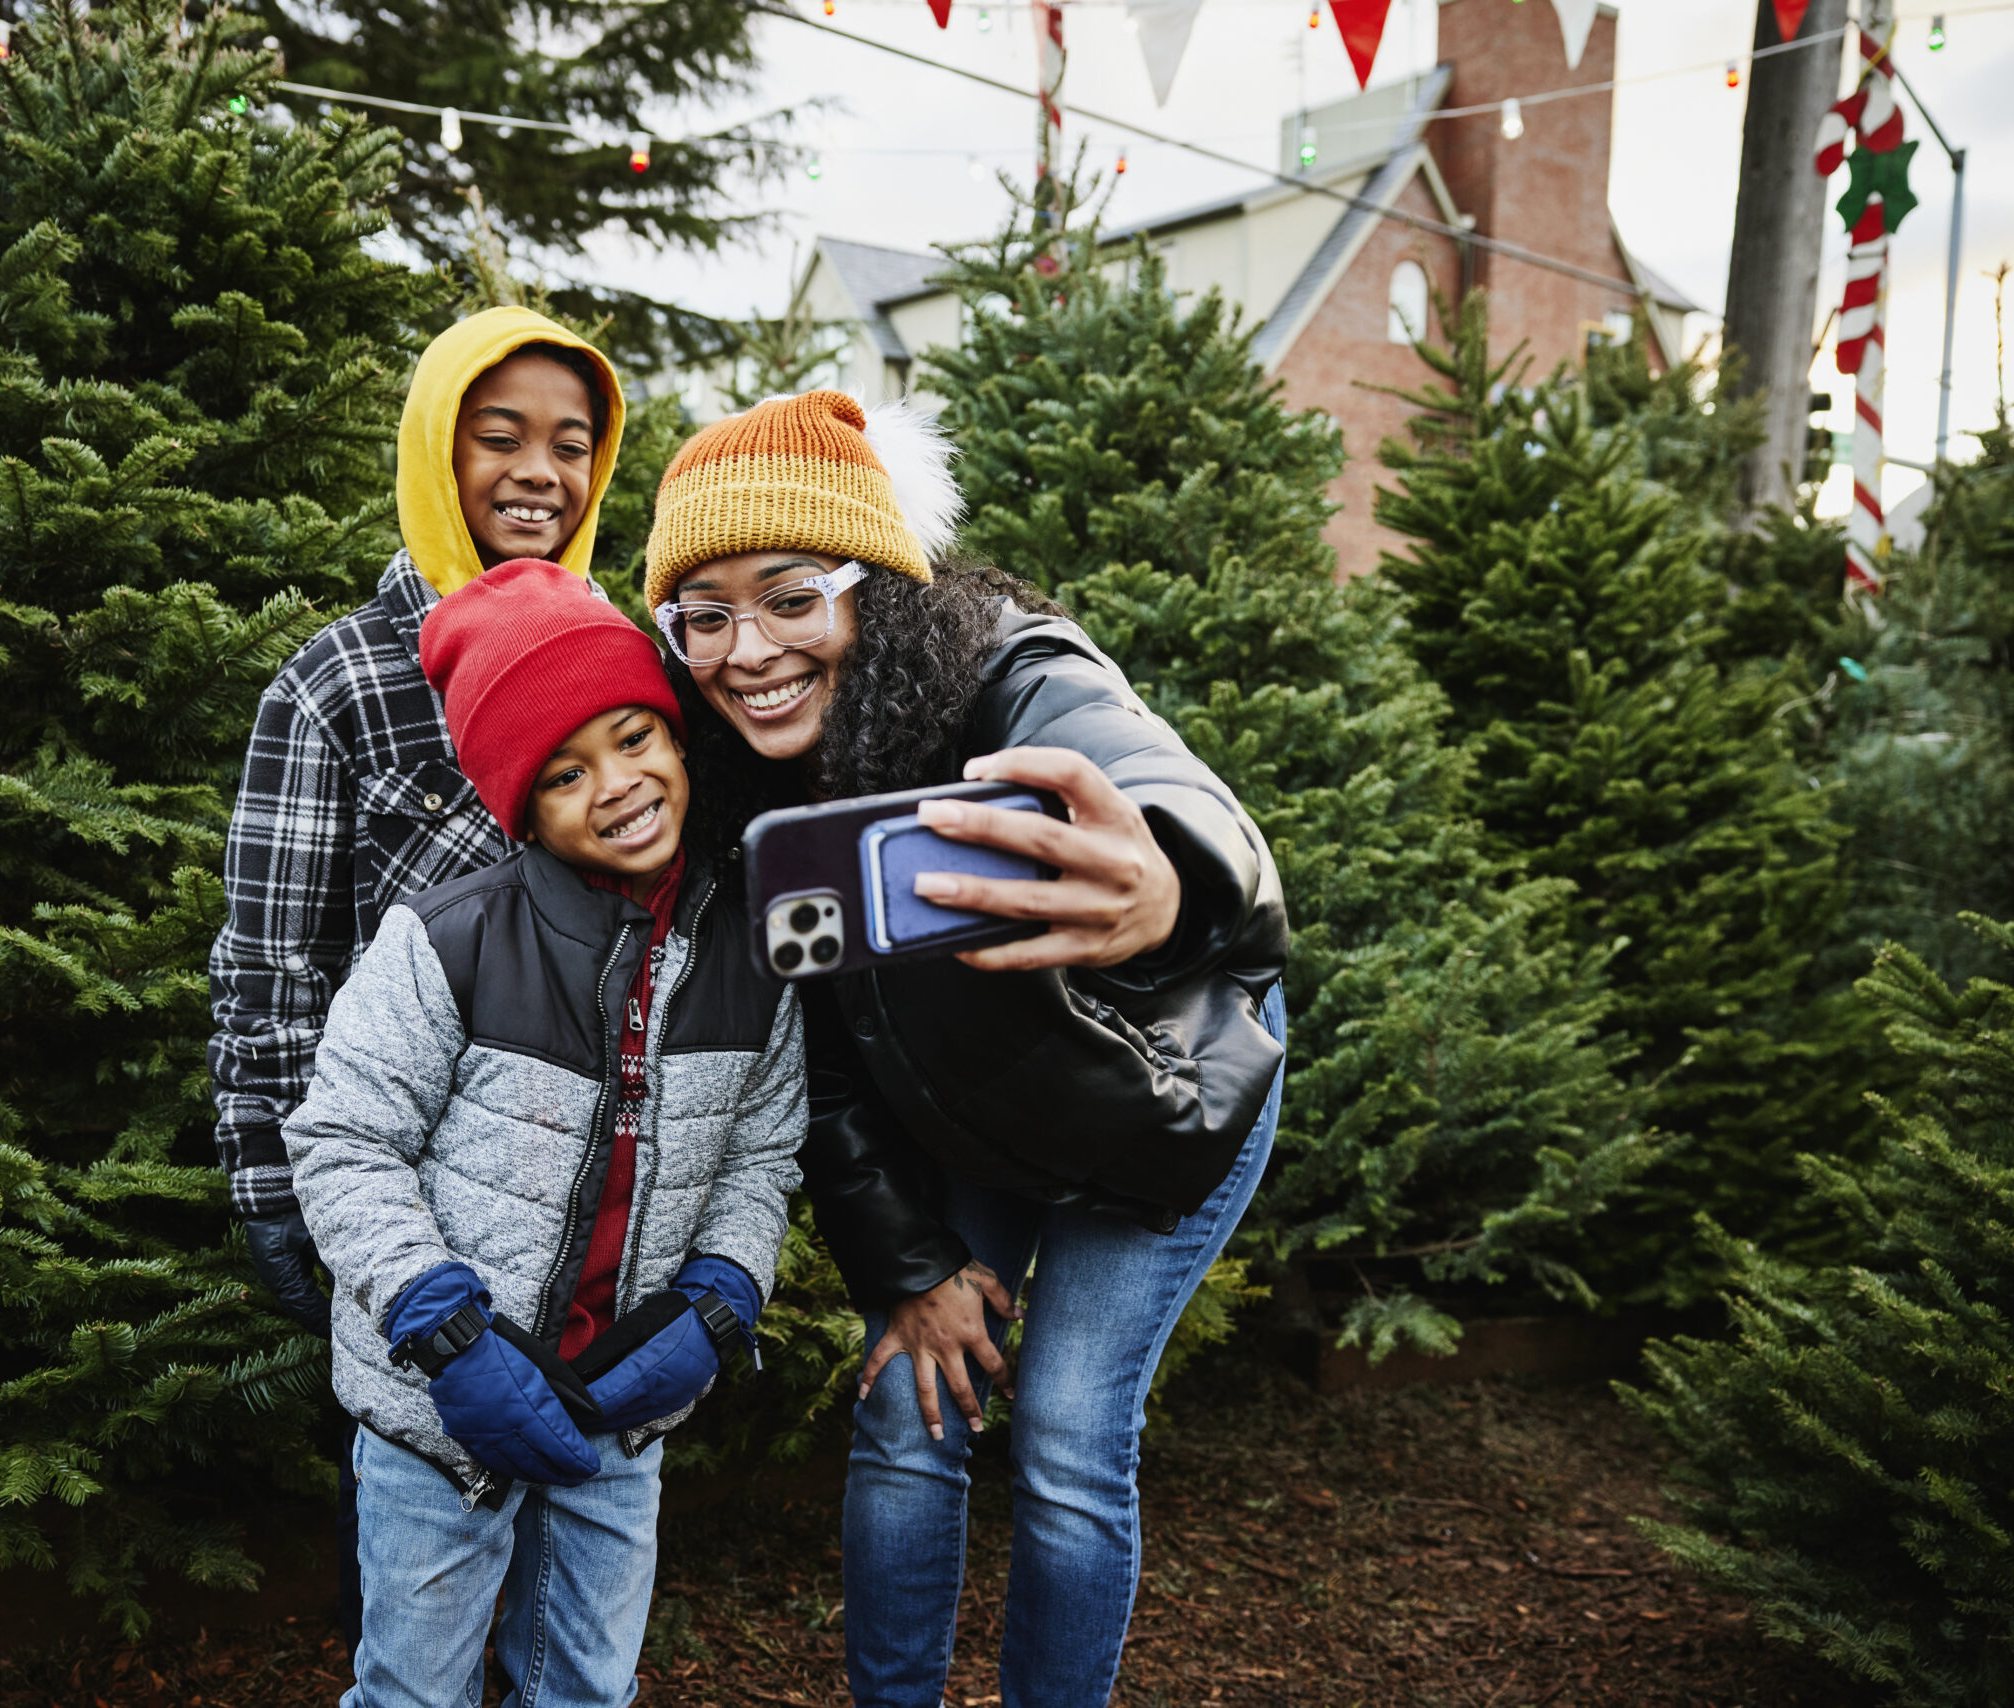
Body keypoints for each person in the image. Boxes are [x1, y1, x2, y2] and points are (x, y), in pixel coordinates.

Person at [642, 390, 1290, 1708]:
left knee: (1063, 1430)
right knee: (906, 1407)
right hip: (970, 1118)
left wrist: (1170, 884)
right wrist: (913, 1260)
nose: (745, 650)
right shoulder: (738, 778)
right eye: (703, 615)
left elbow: (1164, 791)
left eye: (787, 596)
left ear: (875, 590)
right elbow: (812, 1060)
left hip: (1153, 1094)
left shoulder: (1009, 670)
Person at [285, 556, 804, 1708]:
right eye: (565, 773)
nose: (615, 784)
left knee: (585, 1685)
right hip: (442, 1415)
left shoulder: (748, 954)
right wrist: (442, 1329)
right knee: (415, 1692)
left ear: (675, 733)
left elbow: (763, 1151)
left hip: (620, 1410)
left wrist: (720, 1298)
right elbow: (342, 1140)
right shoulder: (447, 942)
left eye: (633, 738)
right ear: (520, 803)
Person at [207, 307, 626, 1645]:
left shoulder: (615, 662)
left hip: (585, 1189)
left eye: (572, 445)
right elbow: (270, 961)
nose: (538, 475)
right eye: (498, 437)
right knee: (421, 1540)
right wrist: (274, 1182)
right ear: (436, 451)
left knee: (570, 1572)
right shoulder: (341, 681)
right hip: (402, 1190)